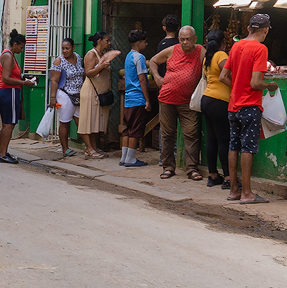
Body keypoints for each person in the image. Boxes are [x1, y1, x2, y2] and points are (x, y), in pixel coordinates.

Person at [221, 13, 278, 204]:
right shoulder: (260, 49)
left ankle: (234, 190)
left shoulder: (236, 46)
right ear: (265, 30)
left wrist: (237, 87)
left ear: (248, 29)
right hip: (250, 107)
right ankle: (247, 193)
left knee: (233, 145)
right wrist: (269, 85)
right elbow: (255, 83)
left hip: (233, 106)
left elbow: (223, 76)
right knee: (248, 147)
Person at [150, 26, 205, 181]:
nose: (185, 42)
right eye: (182, 39)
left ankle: (192, 169)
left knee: (191, 134)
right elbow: (153, 60)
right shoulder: (172, 50)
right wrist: (157, 77)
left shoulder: (200, 51)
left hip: (188, 102)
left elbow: (209, 65)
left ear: (195, 39)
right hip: (167, 99)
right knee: (167, 135)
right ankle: (168, 167)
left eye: (188, 39)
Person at [0, 29, 38, 164]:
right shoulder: (8, 56)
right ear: (14, 44)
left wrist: (24, 77)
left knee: (7, 124)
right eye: (21, 46)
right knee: (9, 124)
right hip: (9, 91)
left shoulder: (9, 55)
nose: (22, 49)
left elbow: (11, 75)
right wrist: (24, 83)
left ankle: (2, 152)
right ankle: (2, 154)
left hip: (6, 91)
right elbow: (6, 78)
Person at [200, 29, 233, 188]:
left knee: (212, 139)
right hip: (220, 101)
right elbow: (226, 73)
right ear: (223, 43)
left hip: (207, 100)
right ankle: (228, 178)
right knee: (224, 140)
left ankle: (213, 175)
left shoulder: (207, 57)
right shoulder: (221, 55)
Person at [79, 32, 119, 158]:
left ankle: (94, 147)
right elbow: (88, 72)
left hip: (101, 92)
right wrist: (100, 66)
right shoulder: (91, 54)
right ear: (100, 40)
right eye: (107, 40)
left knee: (95, 121)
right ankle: (89, 149)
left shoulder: (103, 54)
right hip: (91, 91)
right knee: (87, 121)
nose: (109, 43)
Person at [120, 30, 152, 167]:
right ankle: (131, 158)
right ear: (138, 43)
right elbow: (142, 79)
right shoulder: (140, 58)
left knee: (127, 128)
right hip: (138, 97)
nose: (146, 44)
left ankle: (124, 157)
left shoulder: (128, 56)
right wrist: (147, 100)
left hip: (128, 98)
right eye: (144, 42)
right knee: (136, 129)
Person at [48, 37, 84, 158]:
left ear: (73, 48)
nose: (64, 51)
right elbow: (54, 80)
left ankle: (90, 146)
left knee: (82, 121)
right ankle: (65, 148)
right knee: (65, 122)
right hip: (65, 94)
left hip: (78, 94)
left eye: (67, 48)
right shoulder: (59, 61)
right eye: (63, 48)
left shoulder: (78, 57)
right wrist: (53, 97)